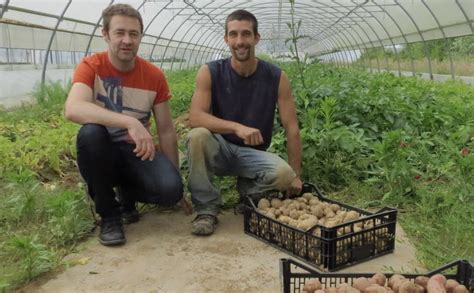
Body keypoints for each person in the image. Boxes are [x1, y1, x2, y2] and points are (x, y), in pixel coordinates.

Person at [65, 4, 184, 246]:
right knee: (91, 134)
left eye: (134, 34)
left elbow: (166, 130)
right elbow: (74, 108)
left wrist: (175, 180)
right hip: (102, 152)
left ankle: (127, 193)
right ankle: (109, 215)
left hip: (135, 152)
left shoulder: (154, 75)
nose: (127, 40)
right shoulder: (92, 66)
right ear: (106, 34)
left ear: (140, 36)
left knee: (171, 190)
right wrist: (129, 121)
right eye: (119, 33)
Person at [186, 9, 303, 236]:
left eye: (246, 34)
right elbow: (195, 117)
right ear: (226, 39)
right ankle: (207, 209)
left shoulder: (276, 76)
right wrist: (236, 127)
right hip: (220, 148)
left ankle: (248, 191)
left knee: (285, 175)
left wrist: (297, 174)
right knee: (197, 136)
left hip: (252, 155)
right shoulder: (210, 72)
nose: (240, 41)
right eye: (234, 35)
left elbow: (292, 127)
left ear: (257, 38)